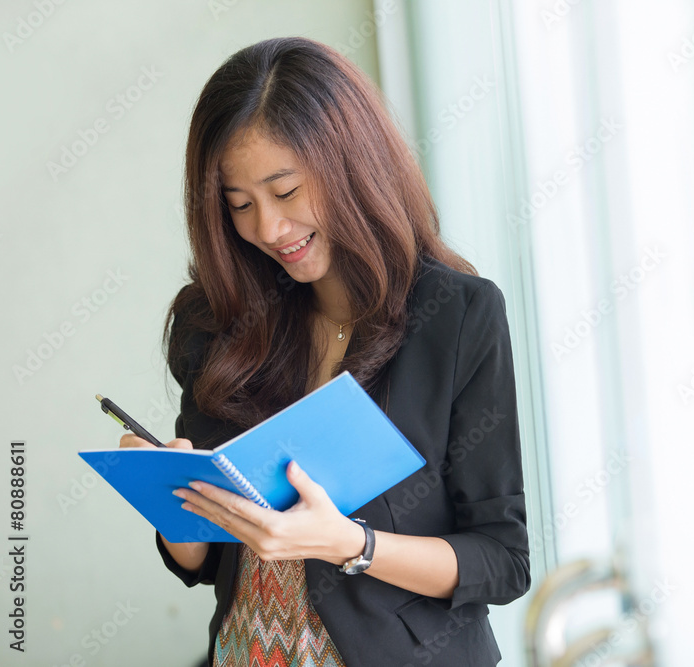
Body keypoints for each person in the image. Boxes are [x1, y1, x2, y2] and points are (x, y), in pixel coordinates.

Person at [118, 36, 529, 666]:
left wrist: (352, 544)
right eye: (239, 205)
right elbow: (203, 563)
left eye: (285, 192)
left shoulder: (456, 317)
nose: (268, 230)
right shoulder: (215, 321)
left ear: (350, 164)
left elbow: (501, 560)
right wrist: (176, 509)